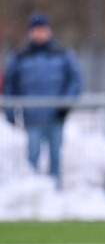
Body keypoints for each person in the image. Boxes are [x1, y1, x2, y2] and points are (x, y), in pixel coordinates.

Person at [2, 11, 82, 185]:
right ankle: (33, 193)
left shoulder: (62, 54)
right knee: (32, 156)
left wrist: (65, 105)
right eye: (35, 30)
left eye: (42, 29)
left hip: (56, 117)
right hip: (32, 119)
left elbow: (75, 80)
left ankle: (54, 195)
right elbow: (10, 86)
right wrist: (10, 111)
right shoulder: (19, 57)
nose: (39, 33)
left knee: (55, 157)